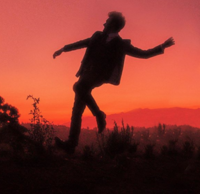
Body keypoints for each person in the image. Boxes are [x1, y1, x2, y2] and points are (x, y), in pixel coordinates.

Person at [53, 11, 175, 154]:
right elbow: (81, 43)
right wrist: (63, 49)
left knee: (78, 87)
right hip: (86, 73)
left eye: (107, 22)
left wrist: (162, 47)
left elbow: (143, 54)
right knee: (77, 109)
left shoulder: (120, 44)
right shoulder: (97, 36)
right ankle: (71, 144)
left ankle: (98, 115)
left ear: (113, 25)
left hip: (99, 76)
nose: (104, 24)